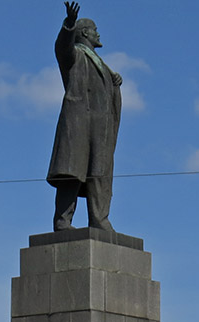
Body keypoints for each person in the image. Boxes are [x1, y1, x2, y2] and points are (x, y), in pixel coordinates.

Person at [47, 2, 123, 232]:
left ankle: (100, 219)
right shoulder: (76, 55)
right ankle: (63, 221)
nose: (98, 34)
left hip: (100, 128)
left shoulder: (103, 64)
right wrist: (68, 25)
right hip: (79, 124)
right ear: (85, 34)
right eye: (95, 29)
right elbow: (62, 49)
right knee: (72, 172)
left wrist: (114, 82)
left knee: (99, 173)